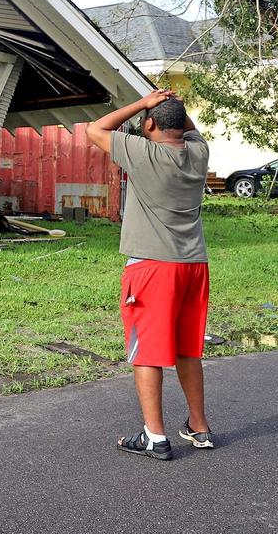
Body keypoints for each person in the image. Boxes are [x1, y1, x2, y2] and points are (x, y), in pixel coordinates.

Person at [85, 89, 214, 460]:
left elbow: (96, 129)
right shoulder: (198, 153)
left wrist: (144, 102)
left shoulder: (144, 153)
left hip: (153, 268)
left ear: (150, 124)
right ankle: (199, 427)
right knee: (187, 348)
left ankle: (155, 437)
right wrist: (170, 109)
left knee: (148, 353)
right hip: (194, 265)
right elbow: (188, 129)